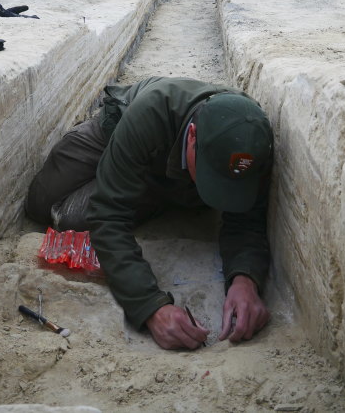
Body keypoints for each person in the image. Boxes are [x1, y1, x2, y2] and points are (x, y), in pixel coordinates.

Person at [26, 76, 274, 351]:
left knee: (75, 220)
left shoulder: (253, 143)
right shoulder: (152, 112)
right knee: (41, 203)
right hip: (118, 131)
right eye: (210, 177)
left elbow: (247, 218)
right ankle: (129, 177)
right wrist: (151, 307)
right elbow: (109, 216)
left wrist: (245, 278)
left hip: (162, 169)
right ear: (192, 136)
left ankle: (148, 187)